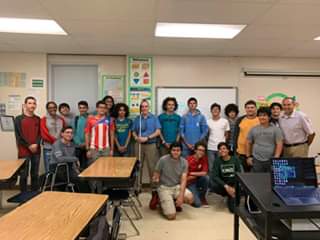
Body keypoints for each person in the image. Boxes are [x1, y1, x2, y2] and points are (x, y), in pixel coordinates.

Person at [152, 142, 194, 220]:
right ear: (170, 151)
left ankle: (174, 202)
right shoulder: (163, 160)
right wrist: (155, 178)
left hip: (176, 186)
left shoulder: (184, 162)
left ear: (181, 151)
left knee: (190, 198)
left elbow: (184, 180)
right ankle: (161, 202)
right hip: (164, 187)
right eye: (173, 150)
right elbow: (156, 173)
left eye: (178, 150)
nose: (176, 152)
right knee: (171, 216)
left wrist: (181, 196)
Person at [85, 100, 115, 192]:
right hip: (94, 149)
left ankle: (102, 191)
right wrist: (88, 149)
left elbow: (112, 134)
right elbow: (87, 134)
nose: (102, 109)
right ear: (97, 108)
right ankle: (93, 191)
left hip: (106, 149)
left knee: (105, 171)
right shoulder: (90, 120)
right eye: (100, 107)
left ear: (106, 109)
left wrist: (111, 149)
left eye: (104, 108)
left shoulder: (109, 120)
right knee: (93, 171)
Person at [50, 126, 90, 193]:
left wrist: (76, 168)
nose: (69, 134)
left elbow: (71, 160)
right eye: (67, 132)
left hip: (69, 168)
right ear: (62, 134)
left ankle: (85, 196)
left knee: (86, 174)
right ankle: (86, 197)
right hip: (57, 168)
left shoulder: (72, 144)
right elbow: (60, 159)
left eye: (71, 133)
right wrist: (75, 159)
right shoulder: (57, 144)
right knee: (80, 179)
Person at [14, 96, 41, 193]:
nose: (32, 105)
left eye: (34, 103)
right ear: (25, 105)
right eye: (30, 103)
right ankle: (23, 196)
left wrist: (36, 144)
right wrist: (29, 145)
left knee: (35, 174)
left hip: (36, 151)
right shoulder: (18, 119)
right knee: (24, 174)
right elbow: (19, 136)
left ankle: (34, 195)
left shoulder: (38, 119)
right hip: (24, 151)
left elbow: (39, 134)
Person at [132, 99, 161, 184]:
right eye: (142, 106)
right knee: (138, 166)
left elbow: (158, 132)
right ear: (140, 108)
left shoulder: (154, 118)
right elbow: (133, 131)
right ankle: (137, 187)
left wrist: (147, 138)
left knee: (152, 167)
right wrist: (136, 137)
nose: (144, 108)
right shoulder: (137, 118)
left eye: (146, 106)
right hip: (139, 145)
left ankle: (154, 189)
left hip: (150, 145)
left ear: (149, 107)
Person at [246, 107, 283, 173]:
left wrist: (276, 158)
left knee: (269, 180)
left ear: (269, 117)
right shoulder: (253, 129)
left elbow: (279, 144)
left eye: (264, 115)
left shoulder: (276, 129)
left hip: (271, 159)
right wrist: (248, 157)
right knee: (257, 179)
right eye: (260, 115)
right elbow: (248, 142)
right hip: (256, 159)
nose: (262, 117)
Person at [212, 142, 241, 213]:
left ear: (228, 150)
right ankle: (227, 194)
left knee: (233, 210)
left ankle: (231, 196)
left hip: (234, 185)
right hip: (223, 185)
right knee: (212, 184)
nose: (222, 150)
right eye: (220, 149)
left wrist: (234, 188)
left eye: (224, 148)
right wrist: (226, 187)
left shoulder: (235, 159)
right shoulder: (217, 161)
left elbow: (239, 174)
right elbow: (215, 176)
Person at [233, 100, 259, 172]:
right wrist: (235, 150)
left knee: (255, 174)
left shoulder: (260, 119)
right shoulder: (240, 120)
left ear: (256, 108)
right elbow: (235, 135)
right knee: (242, 175)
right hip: (241, 153)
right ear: (245, 109)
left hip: (255, 153)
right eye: (248, 108)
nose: (250, 109)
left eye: (252, 107)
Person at [40, 101, 65, 173]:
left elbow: (64, 133)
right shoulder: (43, 119)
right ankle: (49, 184)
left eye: (54, 107)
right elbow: (44, 134)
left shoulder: (61, 119)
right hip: (48, 148)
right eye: (50, 107)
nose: (52, 109)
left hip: (60, 148)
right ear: (47, 109)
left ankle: (57, 184)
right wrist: (55, 142)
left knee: (59, 169)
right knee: (49, 169)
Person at [207, 103, 230, 179]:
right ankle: (211, 185)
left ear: (220, 111)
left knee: (221, 167)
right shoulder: (208, 122)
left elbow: (227, 134)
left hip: (221, 149)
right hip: (210, 147)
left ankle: (221, 184)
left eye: (217, 109)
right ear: (211, 111)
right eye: (213, 110)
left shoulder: (225, 121)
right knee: (211, 168)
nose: (215, 111)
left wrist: (224, 146)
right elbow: (206, 135)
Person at [186, 142, 209, 208]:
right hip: (190, 183)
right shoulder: (188, 159)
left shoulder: (204, 158)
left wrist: (191, 173)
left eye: (203, 151)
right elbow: (186, 177)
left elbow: (204, 173)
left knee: (206, 178)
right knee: (197, 204)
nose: (201, 152)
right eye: (199, 150)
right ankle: (193, 193)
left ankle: (202, 196)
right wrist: (198, 174)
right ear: (195, 150)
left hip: (198, 180)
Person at [73, 100, 89, 170]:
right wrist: (79, 143)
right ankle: (79, 180)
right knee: (78, 166)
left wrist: (86, 143)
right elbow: (73, 133)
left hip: (88, 146)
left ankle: (86, 180)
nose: (82, 109)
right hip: (77, 146)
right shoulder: (76, 119)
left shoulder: (91, 119)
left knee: (87, 165)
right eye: (80, 108)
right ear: (78, 109)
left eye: (84, 108)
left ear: (87, 108)